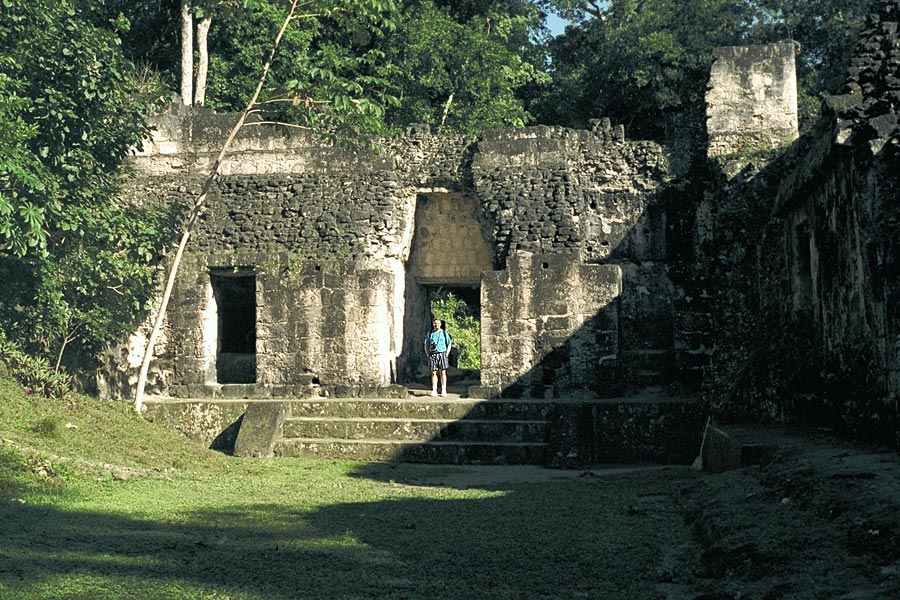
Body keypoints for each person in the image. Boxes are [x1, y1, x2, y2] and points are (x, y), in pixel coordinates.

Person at [423, 317, 452, 396]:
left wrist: (447, 353)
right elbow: (426, 344)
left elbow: (449, 343)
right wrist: (428, 354)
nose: (436, 325)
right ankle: (434, 389)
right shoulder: (430, 334)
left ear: (440, 324)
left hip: (442, 353)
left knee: (443, 372)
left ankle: (443, 389)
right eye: (435, 323)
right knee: (433, 372)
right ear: (433, 324)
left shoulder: (444, 333)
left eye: (438, 323)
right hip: (433, 354)